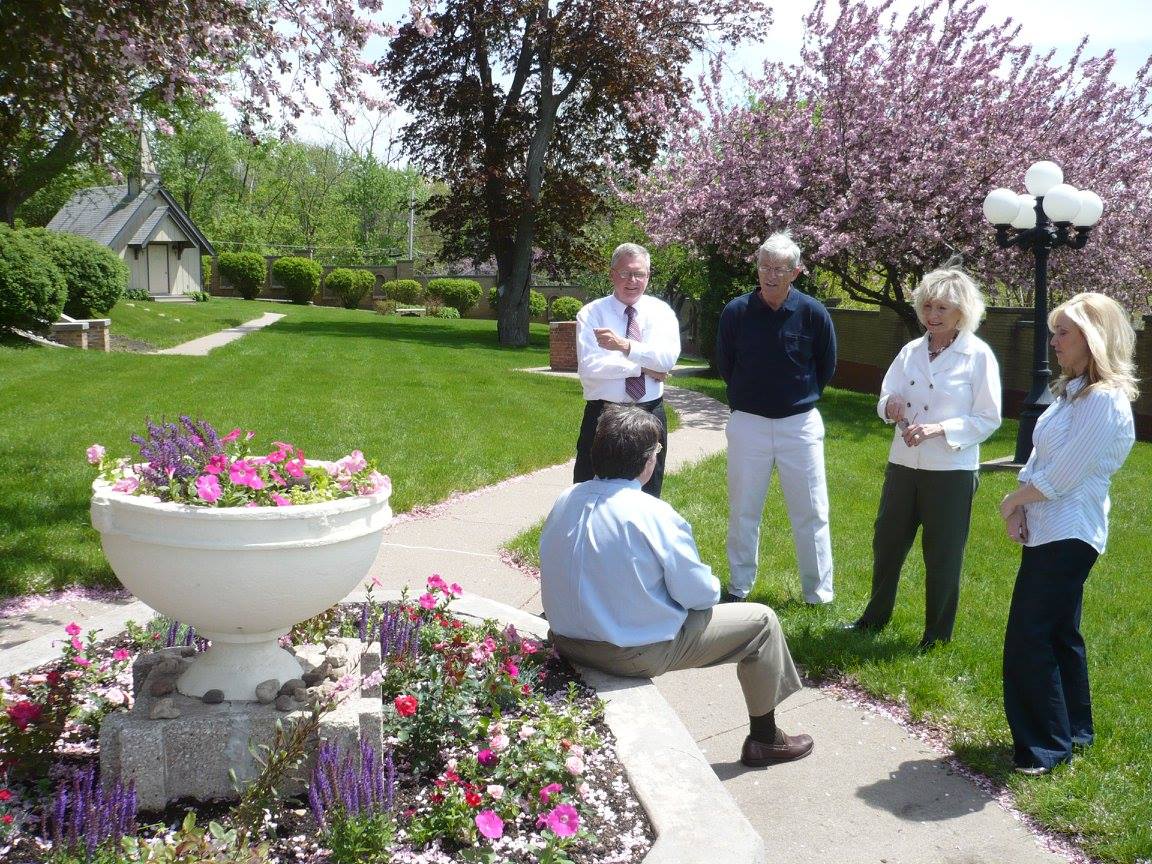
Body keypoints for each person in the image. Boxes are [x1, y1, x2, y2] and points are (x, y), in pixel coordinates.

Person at [541, 405, 814, 766]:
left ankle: (766, 738)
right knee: (762, 622)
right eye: (656, 452)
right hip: (626, 653)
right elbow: (701, 596)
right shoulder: (654, 515)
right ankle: (765, 739)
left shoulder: (566, 499)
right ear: (647, 462)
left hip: (566, 640)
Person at [999, 292, 1138, 775]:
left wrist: (1013, 500)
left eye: (1063, 332)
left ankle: (1044, 746)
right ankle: (1075, 731)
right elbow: (1040, 459)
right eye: (1054, 330)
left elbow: (1065, 477)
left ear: (1093, 338)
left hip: (1071, 532)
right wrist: (1020, 503)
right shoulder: (1071, 393)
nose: (1052, 341)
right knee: (1059, 633)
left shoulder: (1103, 401)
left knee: (1028, 638)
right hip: (1046, 528)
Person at [847, 269, 1002, 649]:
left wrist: (937, 430)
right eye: (928, 306)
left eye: (943, 308)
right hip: (903, 465)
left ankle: (936, 636)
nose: (933, 315)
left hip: (951, 471)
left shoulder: (978, 355)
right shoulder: (910, 352)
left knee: (943, 553)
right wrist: (891, 406)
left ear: (961, 312)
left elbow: (989, 417)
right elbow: (885, 397)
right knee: (887, 543)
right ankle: (874, 617)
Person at [715, 231, 837, 604]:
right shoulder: (736, 312)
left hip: (798, 424)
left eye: (780, 268)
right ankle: (738, 587)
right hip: (748, 423)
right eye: (764, 266)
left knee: (811, 511)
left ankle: (818, 593)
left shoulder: (813, 313)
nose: (770, 275)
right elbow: (725, 364)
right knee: (743, 509)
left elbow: (826, 365)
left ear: (796, 272)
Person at [574, 242, 680, 497]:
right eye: (625, 273)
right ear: (613, 274)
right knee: (589, 491)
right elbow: (590, 367)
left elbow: (666, 360)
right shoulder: (592, 314)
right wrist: (643, 367)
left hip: (649, 413)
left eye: (639, 274)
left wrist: (623, 346)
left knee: (648, 495)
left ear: (648, 276)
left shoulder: (661, 312)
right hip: (603, 415)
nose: (632, 280)